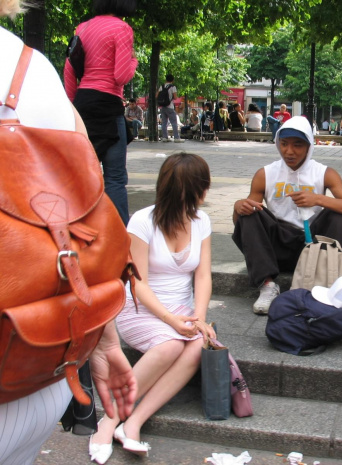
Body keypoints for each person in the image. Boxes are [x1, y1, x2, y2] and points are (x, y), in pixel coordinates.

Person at [1, 3, 137, 464]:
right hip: (41, 374)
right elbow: (83, 233)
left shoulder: (80, 30)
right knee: (106, 181)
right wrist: (105, 339)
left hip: (84, 98)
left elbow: (74, 71)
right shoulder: (28, 64)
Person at [88, 152, 216, 463]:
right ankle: (108, 420)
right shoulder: (143, 221)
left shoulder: (202, 221)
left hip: (182, 307)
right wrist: (171, 320)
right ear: (192, 189)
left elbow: (203, 275)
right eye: (203, 187)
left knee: (199, 344)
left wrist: (199, 316)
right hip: (142, 307)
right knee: (170, 344)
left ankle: (133, 423)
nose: (205, 194)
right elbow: (138, 283)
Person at [232, 116, 342, 314]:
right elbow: (242, 225)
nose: (289, 151)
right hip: (276, 246)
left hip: (312, 245)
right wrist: (238, 207)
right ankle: (267, 285)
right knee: (250, 213)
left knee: (337, 215)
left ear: (309, 146)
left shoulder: (324, 173)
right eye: (284, 144)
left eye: (297, 145)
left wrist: (318, 200)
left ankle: (323, 280)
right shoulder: (265, 174)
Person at [64, 0, 138, 226]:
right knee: (115, 178)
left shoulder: (82, 28)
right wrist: (133, 60)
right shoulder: (122, 28)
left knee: (85, 171)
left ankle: (78, 224)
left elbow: (70, 69)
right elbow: (121, 76)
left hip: (83, 103)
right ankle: (118, 235)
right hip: (108, 104)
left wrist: (73, 104)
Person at [158, 74, 183, 143]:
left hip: (163, 107)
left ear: (165, 79)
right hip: (170, 107)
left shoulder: (162, 86)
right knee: (174, 122)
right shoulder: (173, 87)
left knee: (164, 123)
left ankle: (165, 137)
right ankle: (176, 137)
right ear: (172, 80)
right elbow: (175, 97)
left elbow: (157, 95)